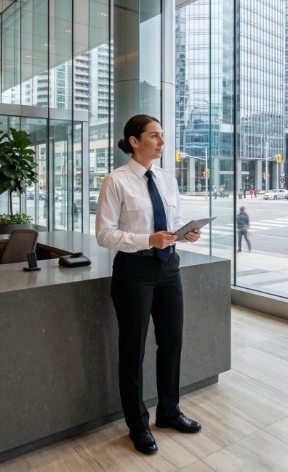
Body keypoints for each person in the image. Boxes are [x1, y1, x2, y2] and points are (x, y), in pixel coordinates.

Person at [96, 114, 203, 456]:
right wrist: (147, 239)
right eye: (154, 136)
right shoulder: (116, 181)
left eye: (161, 136)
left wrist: (186, 233)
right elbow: (104, 234)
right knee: (134, 350)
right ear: (134, 141)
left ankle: (169, 412)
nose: (161, 141)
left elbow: (169, 226)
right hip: (134, 272)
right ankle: (137, 425)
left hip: (169, 267)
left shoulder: (168, 180)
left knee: (172, 342)